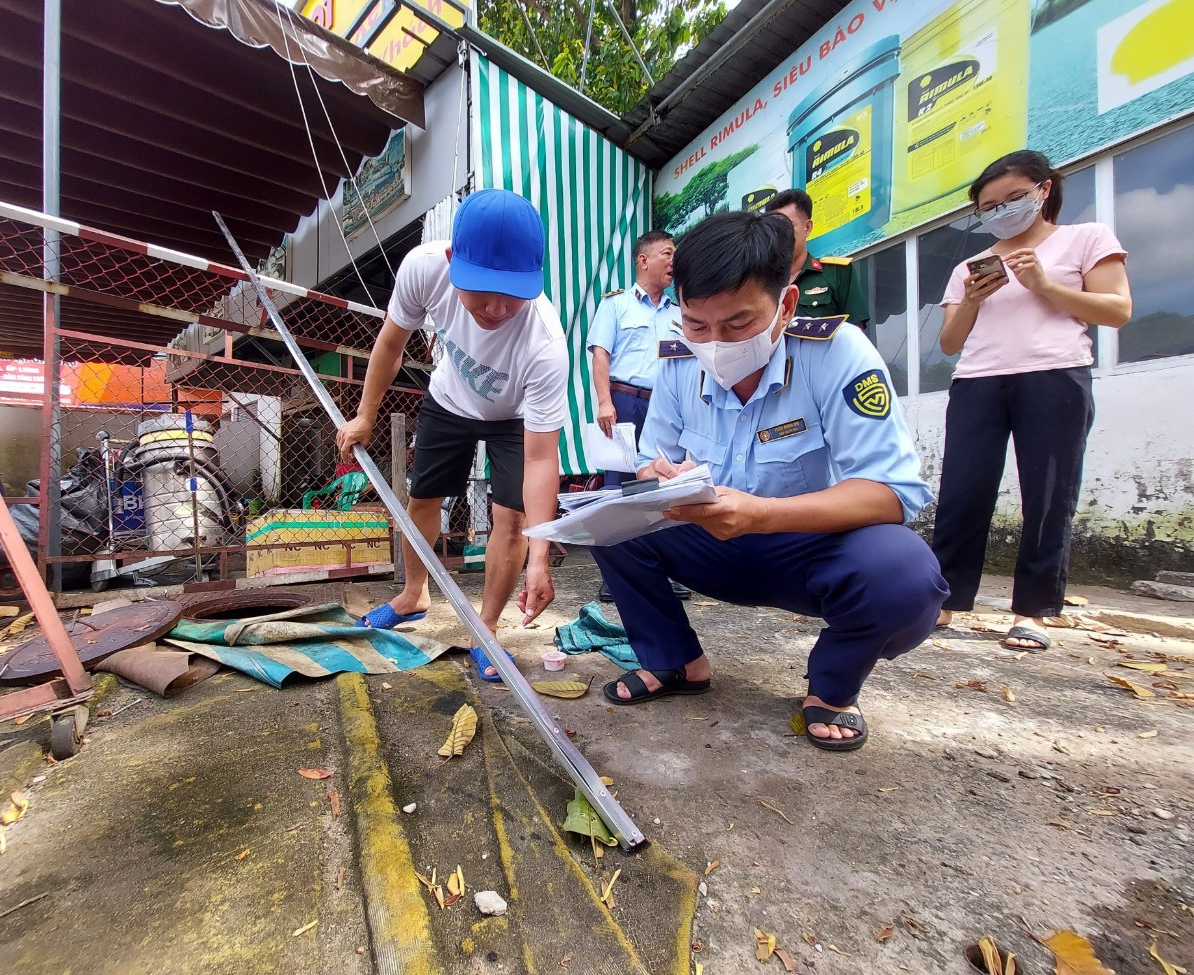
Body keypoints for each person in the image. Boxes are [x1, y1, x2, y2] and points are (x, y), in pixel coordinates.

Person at [590, 210, 948, 751]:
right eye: (696, 324)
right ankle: (677, 662)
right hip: (711, 542)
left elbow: (892, 491)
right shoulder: (677, 360)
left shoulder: (837, 353)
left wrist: (763, 515)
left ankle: (831, 688)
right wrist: (655, 472)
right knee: (609, 519)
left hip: (805, 551)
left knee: (905, 574)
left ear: (785, 306)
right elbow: (654, 456)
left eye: (737, 324)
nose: (714, 343)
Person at [335, 189, 567, 681]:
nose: (499, 309)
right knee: (422, 499)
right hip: (449, 398)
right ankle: (413, 594)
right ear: (450, 259)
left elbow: (544, 459)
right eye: (482, 292)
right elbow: (392, 343)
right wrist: (365, 415)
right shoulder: (424, 267)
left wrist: (541, 556)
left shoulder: (546, 343)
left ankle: (485, 629)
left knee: (512, 517)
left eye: (514, 294)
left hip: (514, 418)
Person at [931, 151, 1131, 651]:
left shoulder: (1085, 238)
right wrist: (974, 297)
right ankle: (946, 599)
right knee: (962, 491)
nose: (1001, 210)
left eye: (1013, 198)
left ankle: (1033, 612)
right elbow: (950, 343)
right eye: (989, 205)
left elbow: (1118, 310)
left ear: (1043, 190)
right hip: (978, 381)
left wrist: (1043, 283)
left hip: (1054, 374)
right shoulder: (969, 267)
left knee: (1047, 494)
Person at [587, 229, 690, 602]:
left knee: (663, 484)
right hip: (624, 401)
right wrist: (604, 401)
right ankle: (615, 572)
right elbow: (601, 354)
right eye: (667, 253)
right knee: (618, 487)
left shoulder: (680, 311)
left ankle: (669, 569)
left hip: (667, 405)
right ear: (643, 260)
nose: (673, 261)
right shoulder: (616, 305)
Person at [764, 189, 870, 327]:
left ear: (807, 228)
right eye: (774, 230)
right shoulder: (761, 283)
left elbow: (855, 336)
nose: (780, 236)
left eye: (787, 227)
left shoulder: (836, 273)